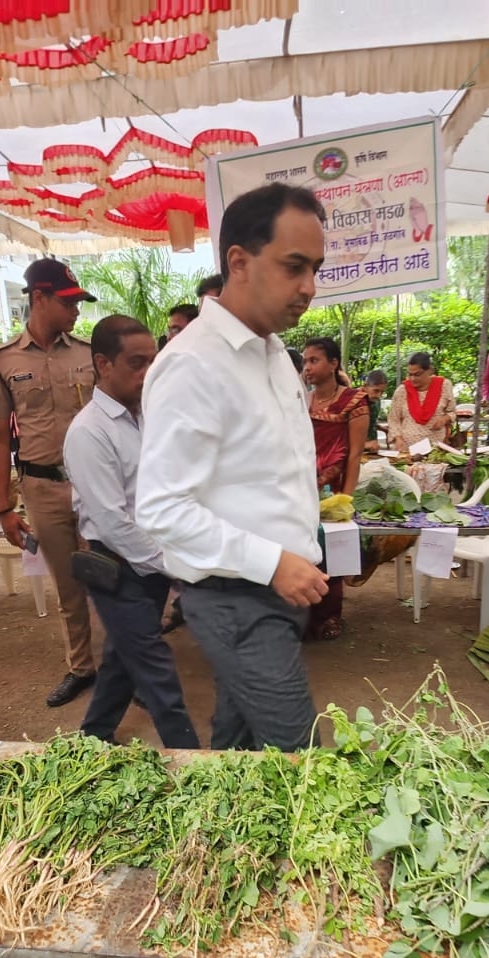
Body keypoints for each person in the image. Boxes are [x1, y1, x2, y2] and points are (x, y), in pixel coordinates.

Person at [138, 182, 329, 751]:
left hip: (275, 593)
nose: (309, 287)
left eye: (316, 268)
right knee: (306, 759)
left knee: (239, 754)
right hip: (236, 598)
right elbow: (161, 507)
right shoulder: (195, 364)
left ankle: (210, 839)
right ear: (239, 263)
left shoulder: (272, 353)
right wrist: (273, 563)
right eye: (294, 266)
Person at [61, 315, 200, 749]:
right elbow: (111, 520)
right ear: (103, 363)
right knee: (156, 669)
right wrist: (172, 567)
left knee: (124, 659)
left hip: (152, 560)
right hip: (120, 566)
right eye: (136, 364)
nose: (147, 375)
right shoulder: (89, 432)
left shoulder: (147, 416)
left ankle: (92, 737)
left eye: (152, 363)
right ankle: (194, 760)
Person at [0, 258, 99, 708]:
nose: (75, 311)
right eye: (67, 302)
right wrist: (3, 506)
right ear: (39, 299)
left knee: (109, 578)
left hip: (93, 486)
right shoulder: (1, 360)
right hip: (41, 488)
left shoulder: (89, 354)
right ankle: (82, 668)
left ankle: (126, 669)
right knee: (68, 586)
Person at [303, 336, 370, 641]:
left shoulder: (354, 401)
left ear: (333, 364)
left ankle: (330, 616)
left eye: (314, 360)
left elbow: (355, 453)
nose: (307, 368)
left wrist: (347, 497)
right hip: (303, 482)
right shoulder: (303, 400)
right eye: (305, 361)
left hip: (335, 485)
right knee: (304, 548)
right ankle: (304, 615)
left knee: (331, 551)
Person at [387, 351, 455, 456]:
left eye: (417, 374)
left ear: (429, 370)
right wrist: (398, 438)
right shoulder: (402, 391)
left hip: (436, 449)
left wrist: (444, 419)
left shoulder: (444, 386)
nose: (413, 379)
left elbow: (452, 412)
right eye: (410, 374)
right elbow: (393, 419)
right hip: (407, 450)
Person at [362, 368, 389, 450]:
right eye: (376, 391)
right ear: (365, 386)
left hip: (372, 449)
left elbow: (370, 422)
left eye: (382, 392)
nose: (378, 395)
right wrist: (365, 444)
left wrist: (382, 429)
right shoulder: (353, 401)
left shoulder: (376, 402)